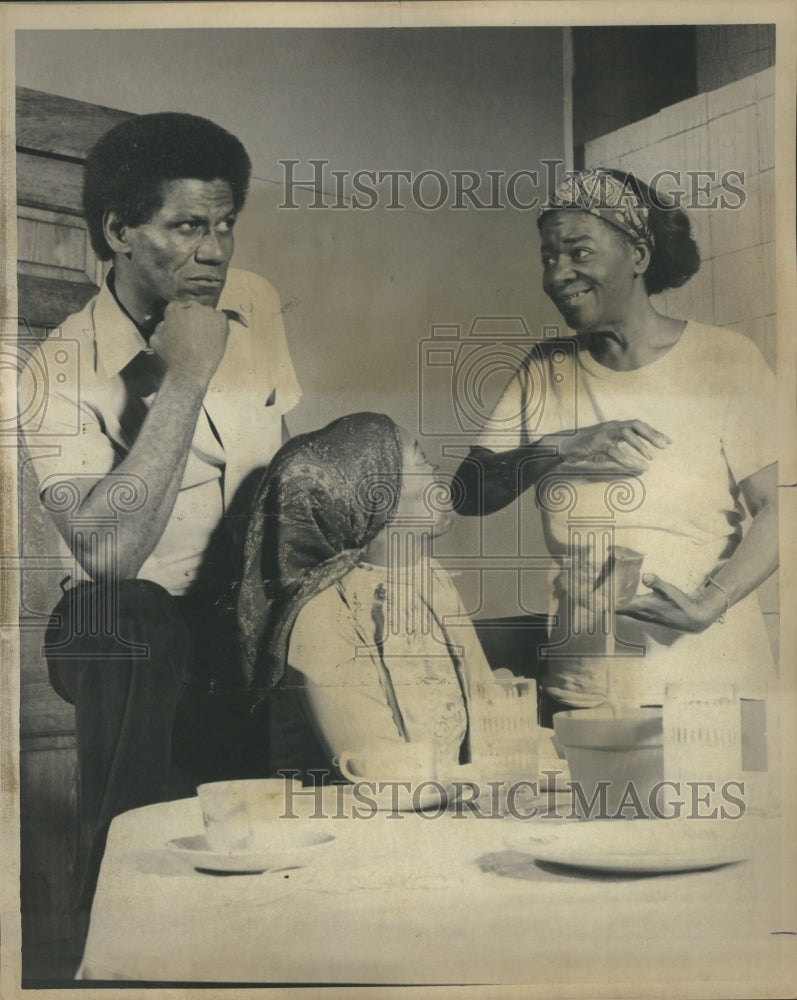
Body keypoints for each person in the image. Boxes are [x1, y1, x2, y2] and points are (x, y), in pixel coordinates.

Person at [21, 112, 301, 905]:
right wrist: (184, 376)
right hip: (117, 628)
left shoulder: (254, 301)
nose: (213, 251)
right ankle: (121, 902)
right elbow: (108, 556)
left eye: (224, 226)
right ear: (119, 231)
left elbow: (284, 462)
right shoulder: (58, 369)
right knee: (132, 616)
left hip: (236, 616)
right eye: (186, 227)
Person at [455, 168, 778, 719]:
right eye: (548, 258)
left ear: (639, 255)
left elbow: (783, 505)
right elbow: (468, 492)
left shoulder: (725, 358)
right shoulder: (544, 370)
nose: (559, 274)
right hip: (586, 689)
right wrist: (563, 445)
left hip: (715, 684)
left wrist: (710, 604)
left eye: (579, 252)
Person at [237, 412, 497, 781]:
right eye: (420, 460)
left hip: (446, 813)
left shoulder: (432, 578)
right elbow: (390, 778)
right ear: (376, 498)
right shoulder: (321, 616)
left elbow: (493, 717)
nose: (437, 471)